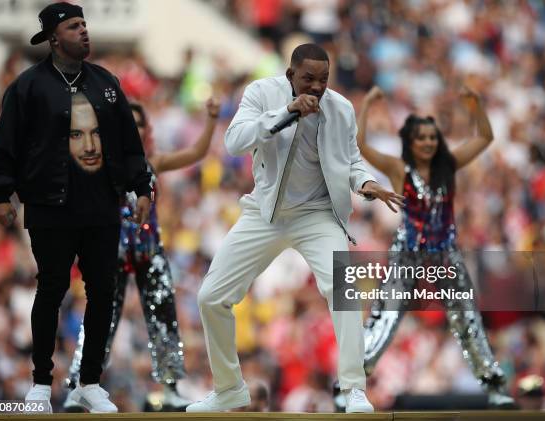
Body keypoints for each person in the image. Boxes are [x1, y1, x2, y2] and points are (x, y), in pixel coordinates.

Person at [186, 43, 404, 413]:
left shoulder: (341, 109)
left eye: (323, 79)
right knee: (210, 297)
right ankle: (228, 390)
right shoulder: (261, 93)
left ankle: (353, 389)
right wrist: (286, 111)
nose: (317, 86)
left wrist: (365, 183)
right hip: (264, 213)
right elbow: (235, 141)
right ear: (290, 75)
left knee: (343, 286)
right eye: (308, 78)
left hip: (317, 215)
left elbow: (351, 161)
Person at [0, 2, 151, 413]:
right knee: (52, 289)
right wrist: (1, 196)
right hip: (49, 206)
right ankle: (41, 383)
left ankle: (89, 383)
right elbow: (5, 146)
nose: (84, 31)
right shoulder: (26, 87)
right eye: (75, 26)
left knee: (104, 293)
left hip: (101, 205)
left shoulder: (107, 84)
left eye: (85, 24)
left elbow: (130, 144)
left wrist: (142, 187)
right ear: (54, 37)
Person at [356, 86, 515, 408]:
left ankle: (494, 386)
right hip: (409, 251)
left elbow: (485, 138)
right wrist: (368, 105)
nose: (428, 142)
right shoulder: (399, 169)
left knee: (467, 318)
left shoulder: (449, 165)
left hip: (445, 252)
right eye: (421, 138)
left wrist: (475, 104)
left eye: (432, 137)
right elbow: (360, 145)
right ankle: (352, 382)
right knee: (386, 317)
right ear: (410, 142)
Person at [63, 98, 221, 411]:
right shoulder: (100, 162)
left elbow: (197, 153)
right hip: (112, 254)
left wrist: (212, 120)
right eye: (128, 123)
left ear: (146, 129)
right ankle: (78, 387)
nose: (133, 128)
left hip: (151, 253)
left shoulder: (154, 162)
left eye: (139, 123)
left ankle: (171, 388)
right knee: (100, 321)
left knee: (164, 319)